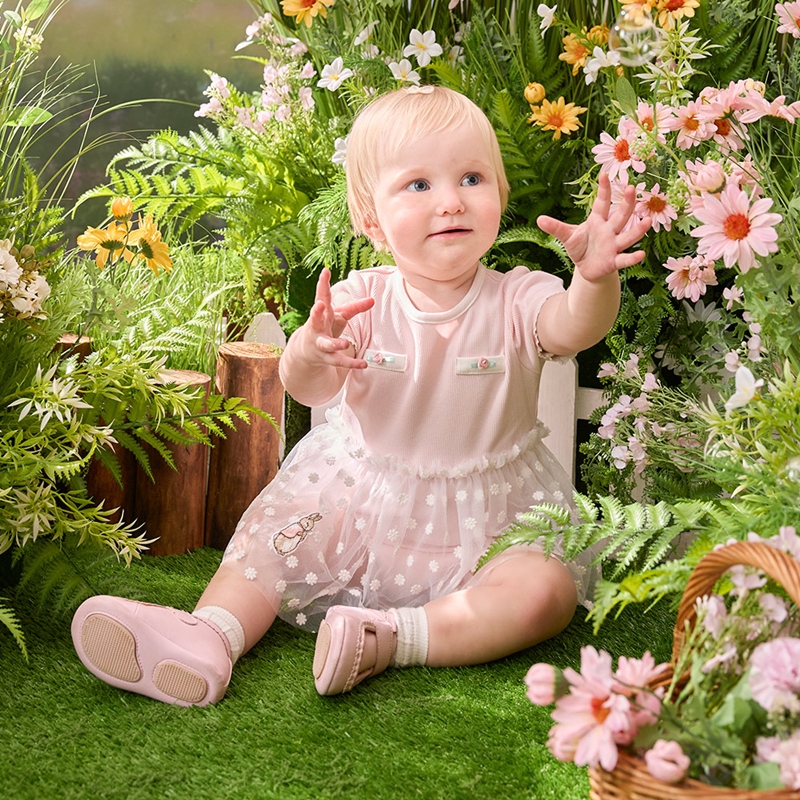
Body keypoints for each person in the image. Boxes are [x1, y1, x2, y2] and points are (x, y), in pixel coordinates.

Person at [71, 86, 651, 706]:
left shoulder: (519, 297)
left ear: (500, 197)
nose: (451, 200)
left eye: (472, 178)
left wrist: (594, 279)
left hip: (491, 518)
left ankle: (389, 638)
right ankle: (211, 632)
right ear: (372, 222)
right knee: (275, 543)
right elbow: (306, 385)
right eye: (419, 185)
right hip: (361, 501)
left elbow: (573, 326)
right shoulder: (361, 300)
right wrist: (311, 350)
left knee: (544, 594)